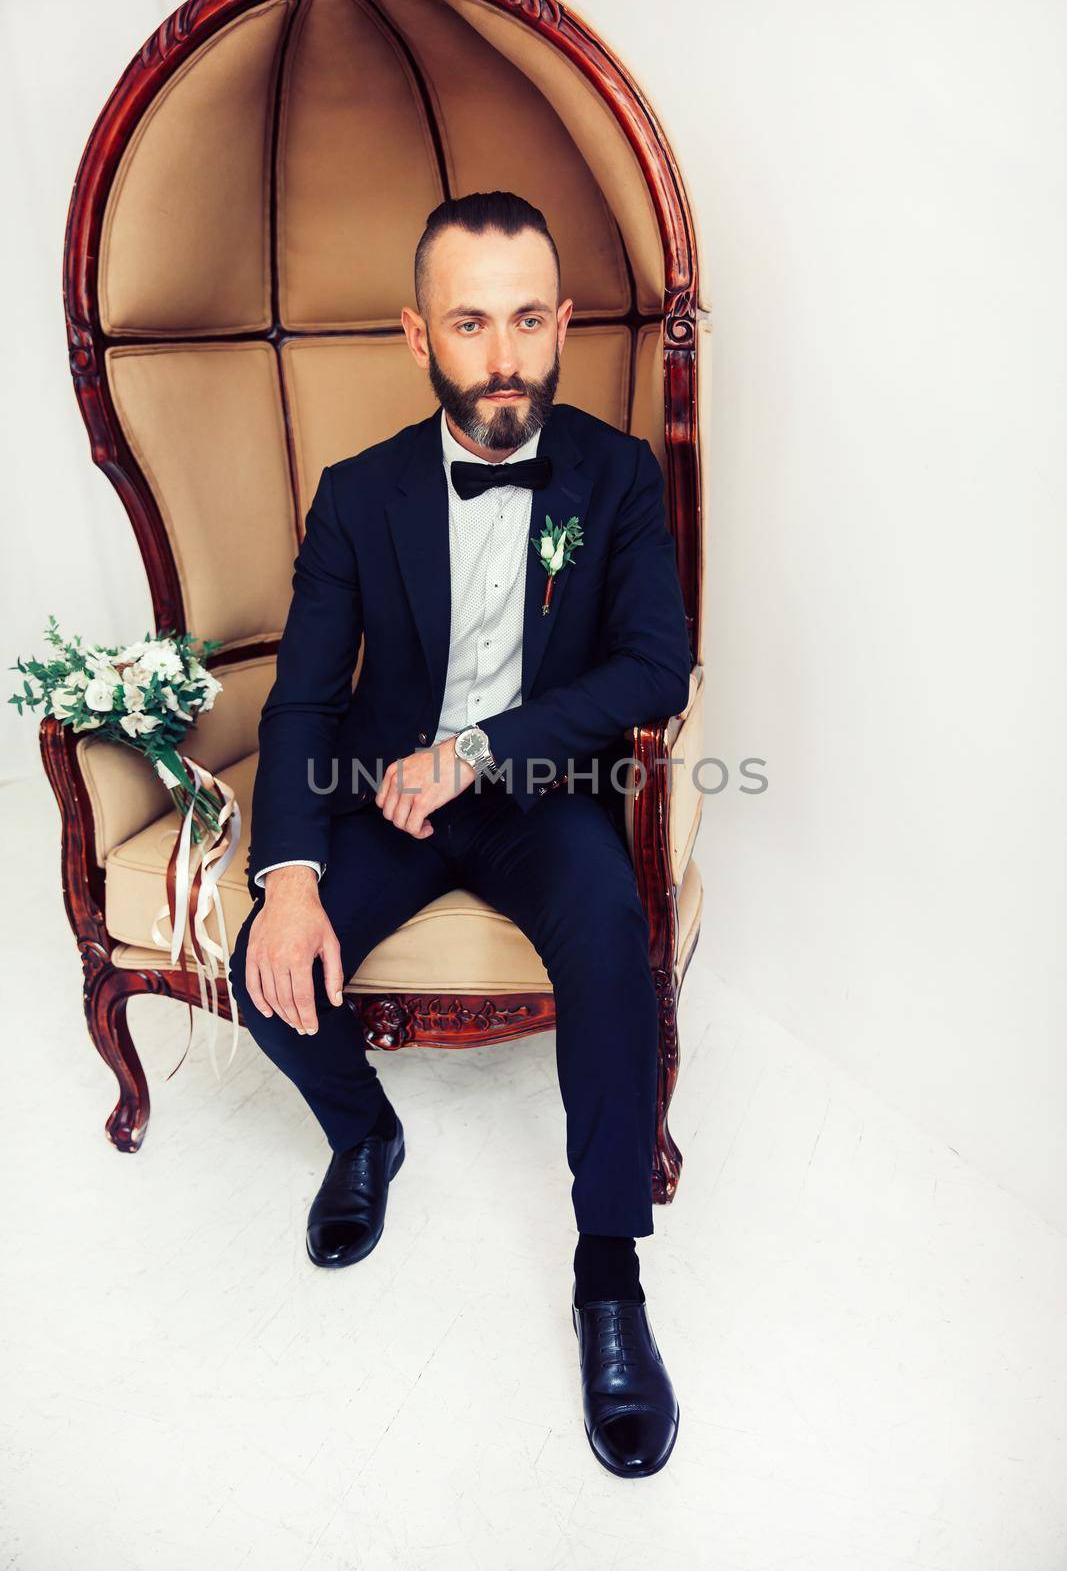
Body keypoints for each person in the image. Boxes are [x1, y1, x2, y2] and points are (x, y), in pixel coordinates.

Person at [228, 190, 690, 1478]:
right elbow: (309, 695)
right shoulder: (359, 495)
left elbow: (658, 665)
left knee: (609, 937)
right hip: (388, 798)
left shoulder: (617, 476)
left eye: (529, 321)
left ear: (563, 325)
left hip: (540, 795)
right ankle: (366, 1134)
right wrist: (292, 877)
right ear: (414, 333)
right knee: (269, 982)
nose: (504, 357)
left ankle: (610, 1282)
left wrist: (483, 749)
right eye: (472, 323)